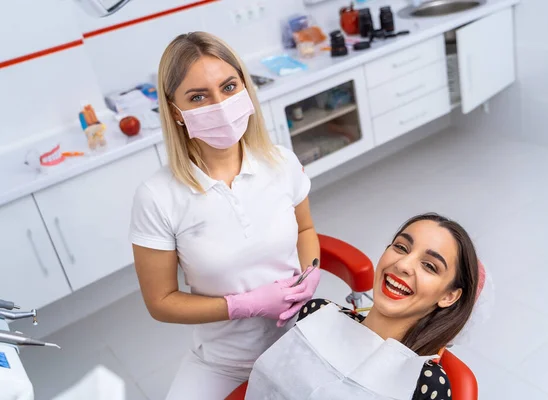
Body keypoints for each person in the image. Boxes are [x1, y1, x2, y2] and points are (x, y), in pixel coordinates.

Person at [128, 31, 321, 400]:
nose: (219, 104)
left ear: (246, 89)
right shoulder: (157, 196)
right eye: (198, 97)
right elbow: (161, 301)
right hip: (223, 362)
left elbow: (306, 228)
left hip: (301, 341)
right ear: (175, 112)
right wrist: (242, 306)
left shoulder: (280, 162)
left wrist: (311, 273)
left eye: (229, 87)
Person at [247, 213, 480, 400]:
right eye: (401, 247)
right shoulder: (316, 314)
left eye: (429, 266)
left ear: (449, 296)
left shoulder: (425, 384)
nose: (403, 264)